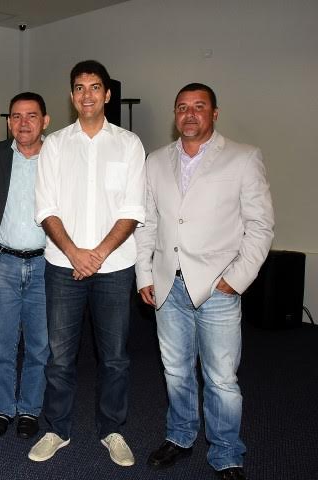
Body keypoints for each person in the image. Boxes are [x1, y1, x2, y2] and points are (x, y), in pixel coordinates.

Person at [135, 83, 274, 480]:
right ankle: (180, 436)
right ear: (174, 115)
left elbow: (261, 226)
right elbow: (147, 221)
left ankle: (227, 451)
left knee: (221, 378)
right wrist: (145, 272)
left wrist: (237, 278)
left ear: (215, 113)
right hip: (167, 286)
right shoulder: (156, 160)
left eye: (199, 107)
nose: (190, 114)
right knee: (175, 371)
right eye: (182, 107)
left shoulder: (244, 158)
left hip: (218, 288)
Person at [29, 60, 145, 466]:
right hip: (64, 267)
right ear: (72, 95)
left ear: (107, 94)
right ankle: (56, 429)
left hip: (114, 270)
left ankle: (112, 429)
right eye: (79, 88)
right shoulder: (56, 144)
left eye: (95, 87)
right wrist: (77, 253)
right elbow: (46, 207)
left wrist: (96, 255)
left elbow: (132, 209)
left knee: (114, 357)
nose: (87, 95)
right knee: (60, 358)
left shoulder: (129, 144)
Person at [0, 92, 50, 440]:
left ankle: (29, 410)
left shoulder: (59, 156)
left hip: (45, 265)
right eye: (16, 116)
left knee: (39, 344)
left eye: (31, 116)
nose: (23, 123)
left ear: (45, 121)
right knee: (1, 343)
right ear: (8, 121)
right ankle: (3, 408)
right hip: (3, 262)